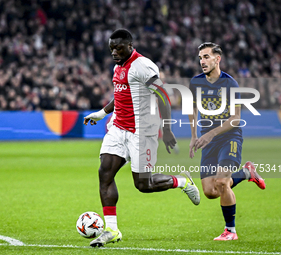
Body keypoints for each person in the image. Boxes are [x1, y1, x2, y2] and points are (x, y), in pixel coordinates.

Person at [84, 29, 200, 247]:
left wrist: (166, 129)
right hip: (118, 128)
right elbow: (120, 96)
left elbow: (163, 95)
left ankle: (182, 181)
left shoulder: (143, 66)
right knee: (105, 172)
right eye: (111, 48)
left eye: (118, 48)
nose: (114, 52)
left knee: (143, 184)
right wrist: (101, 114)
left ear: (130, 45)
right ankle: (112, 230)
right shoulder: (118, 67)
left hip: (142, 131)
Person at [188, 42, 266, 241]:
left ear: (217, 58)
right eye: (200, 58)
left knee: (222, 182)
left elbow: (236, 118)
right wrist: (194, 136)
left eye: (206, 57)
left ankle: (230, 231)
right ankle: (247, 173)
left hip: (229, 137)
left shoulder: (230, 84)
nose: (202, 61)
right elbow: (192, 110)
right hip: (207, 140)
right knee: (210, 191)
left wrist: (210, 134)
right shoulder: (196, 83)